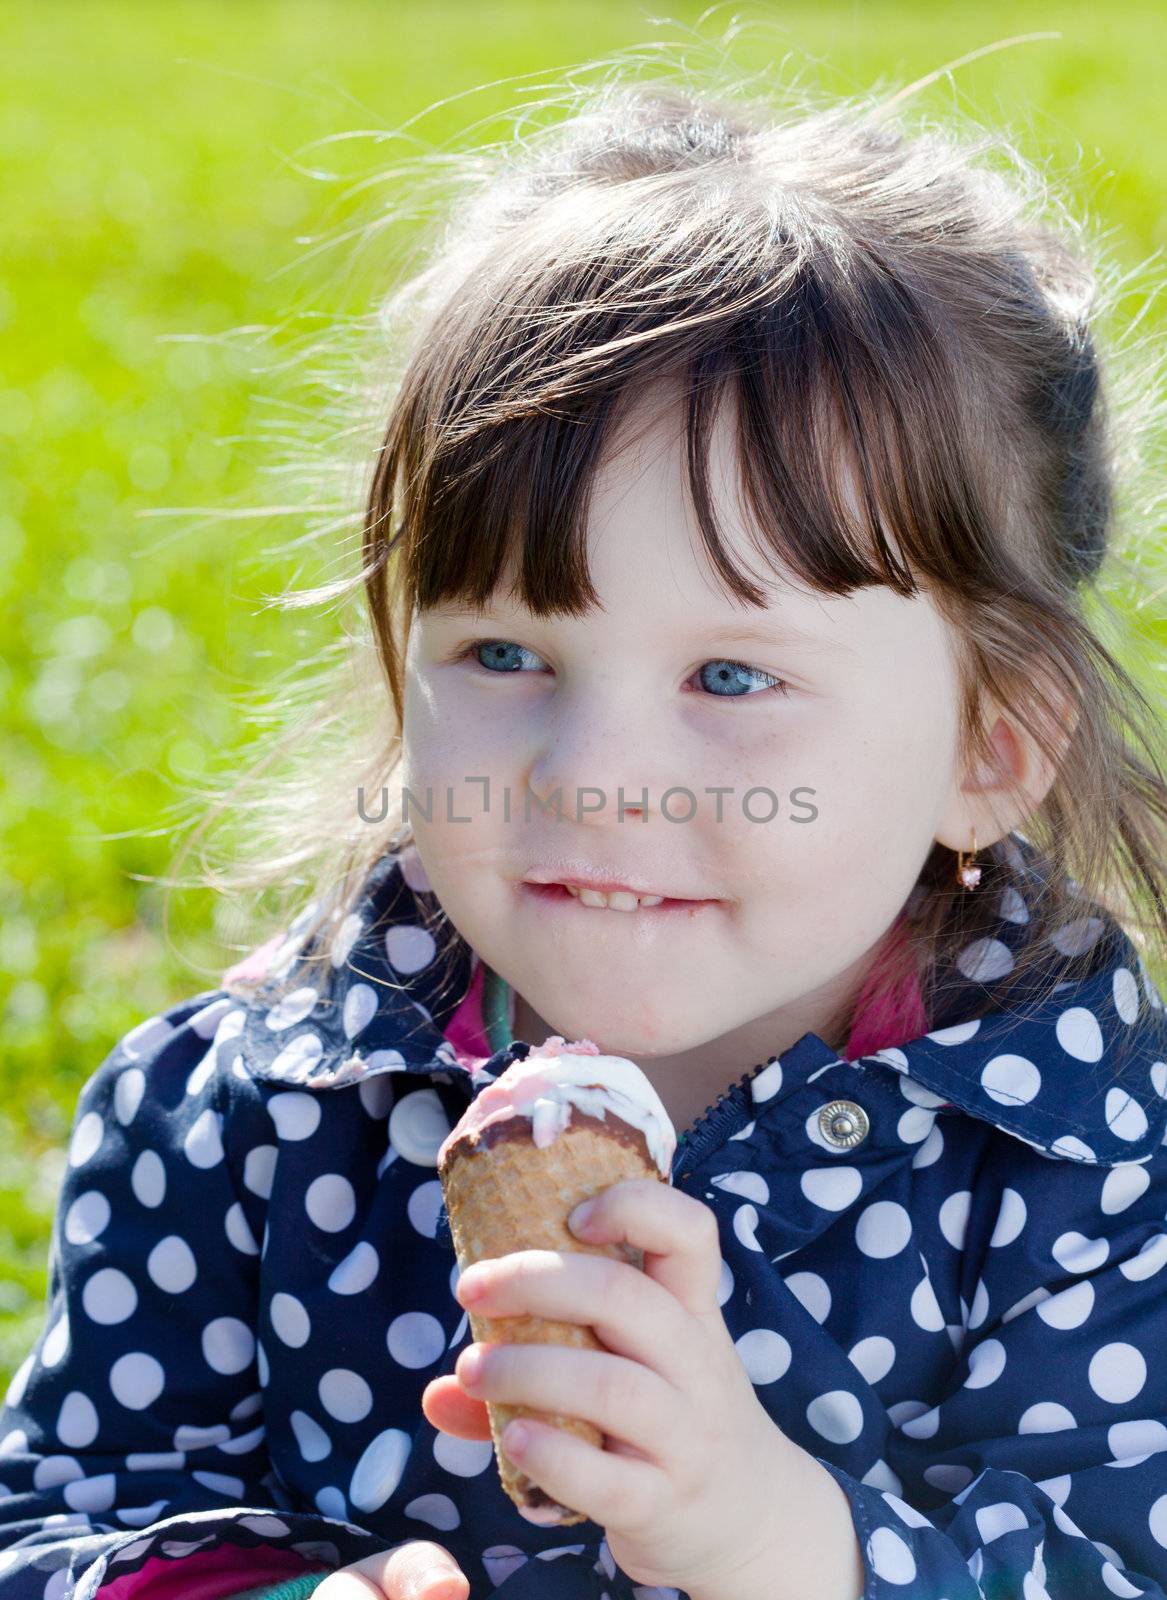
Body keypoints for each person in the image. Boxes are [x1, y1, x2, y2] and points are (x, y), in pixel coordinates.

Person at [3, 58, 1167, 1600]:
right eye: (506, 655)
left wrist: (776, 1537)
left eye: (733, 674)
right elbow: (59, 1523)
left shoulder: (1085, 1168)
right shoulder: (245, 1118)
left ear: (992, 744)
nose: (594, 776)